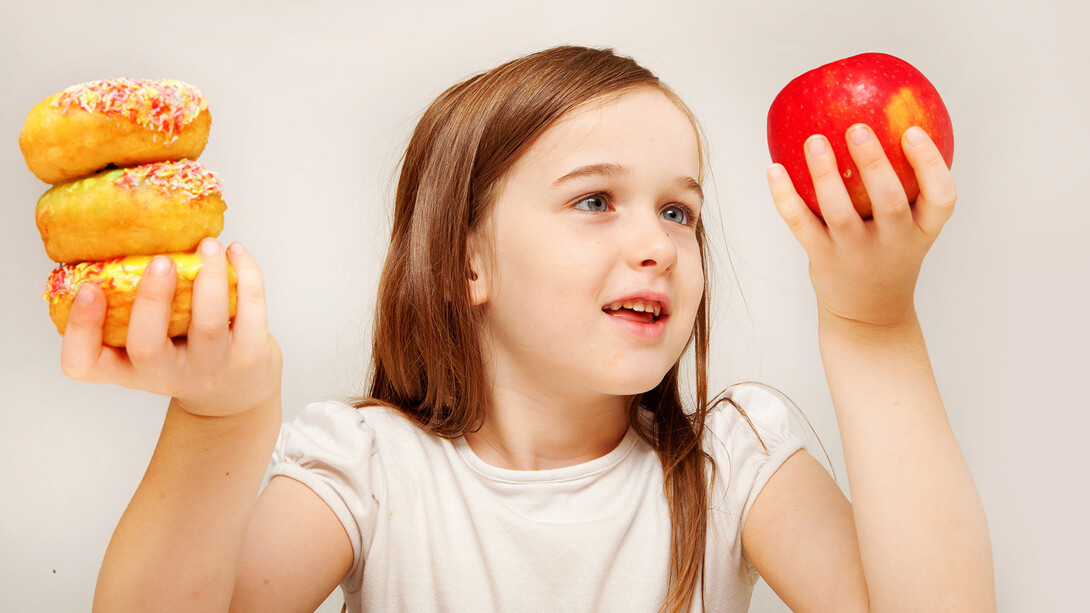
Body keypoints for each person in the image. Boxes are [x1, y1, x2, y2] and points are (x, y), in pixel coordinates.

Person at [59, 46, 995, 612]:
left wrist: (874, 324)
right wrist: (217, 421)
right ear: (469, 263)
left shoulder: (734, 459)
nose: (657, 245)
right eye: (596, 199)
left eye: (679, 212)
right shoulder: (368, 466)